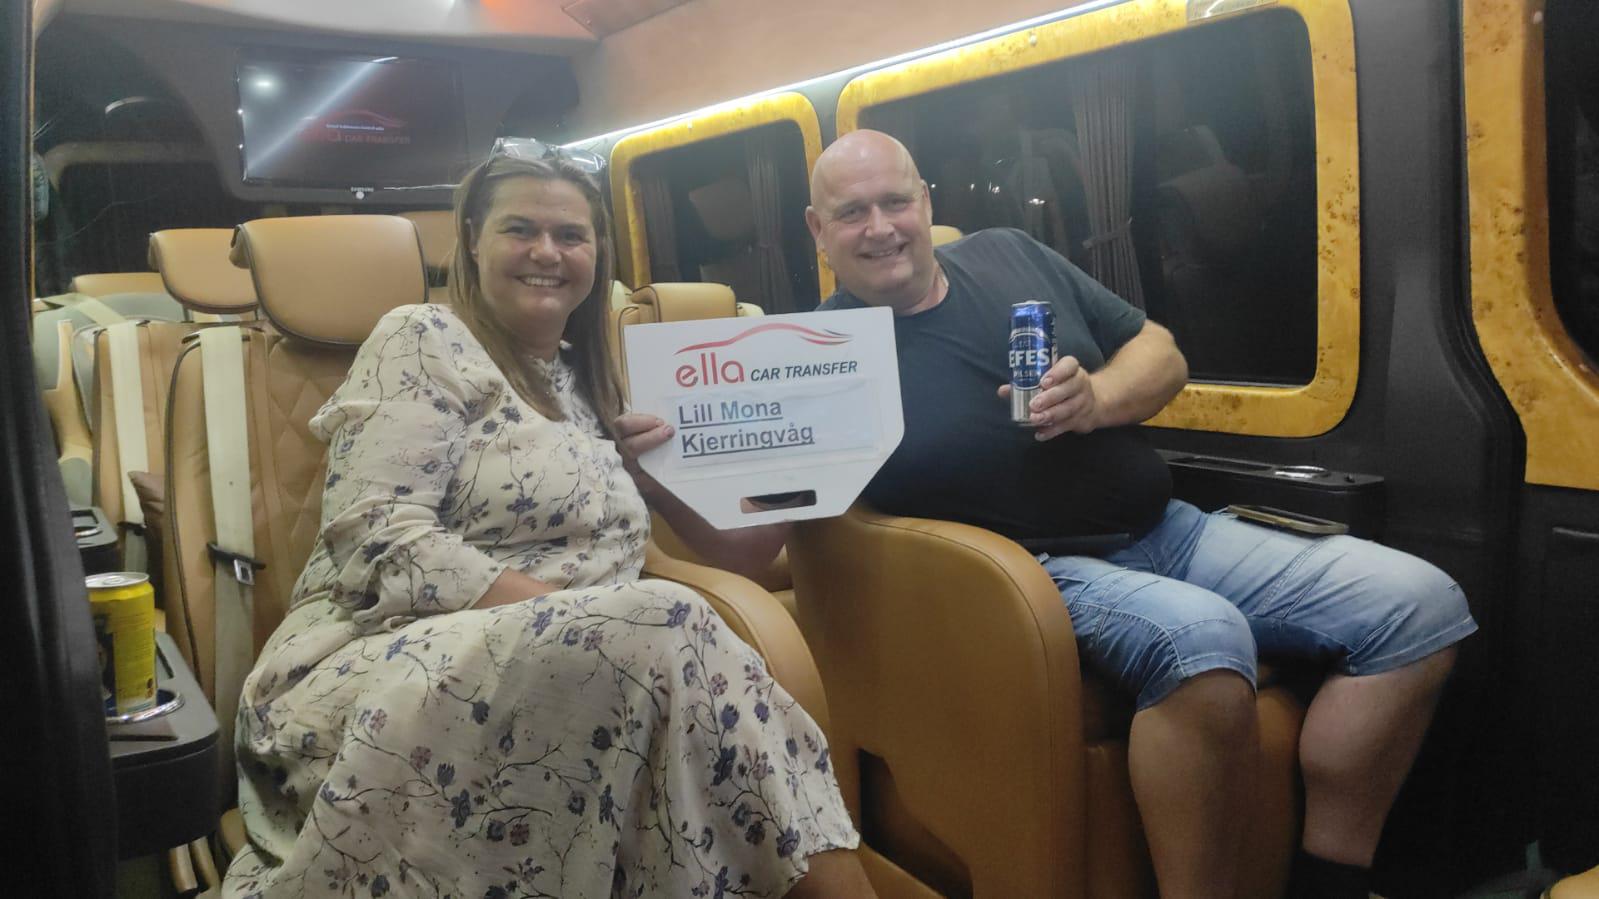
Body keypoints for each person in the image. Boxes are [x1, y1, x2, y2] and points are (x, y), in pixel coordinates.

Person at [806, 130, 1477, 899]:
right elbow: (795, 537)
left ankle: (1327, 881)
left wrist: (1097, 399)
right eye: (851, 212)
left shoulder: (1008, 253)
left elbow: (1160, 353)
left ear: (925, 202)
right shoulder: (820, 354)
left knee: (1419, 607)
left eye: (895, 201)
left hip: (1171, 529)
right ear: (818, 229)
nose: (880, 227)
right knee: (1202, 636)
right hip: (1028, 574)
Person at [224, 150, 874, 898]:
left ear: (597, 253)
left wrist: (782, 462)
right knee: (666, 623)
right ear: (473, 240)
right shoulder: (420, 337)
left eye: (570, 235)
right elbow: (380, 542)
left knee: (665, 641)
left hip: (591, 674)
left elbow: (741, 556)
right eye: (520, 230)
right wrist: (584, 619)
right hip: (388, 662)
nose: (546, 252)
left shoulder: (592, 384)